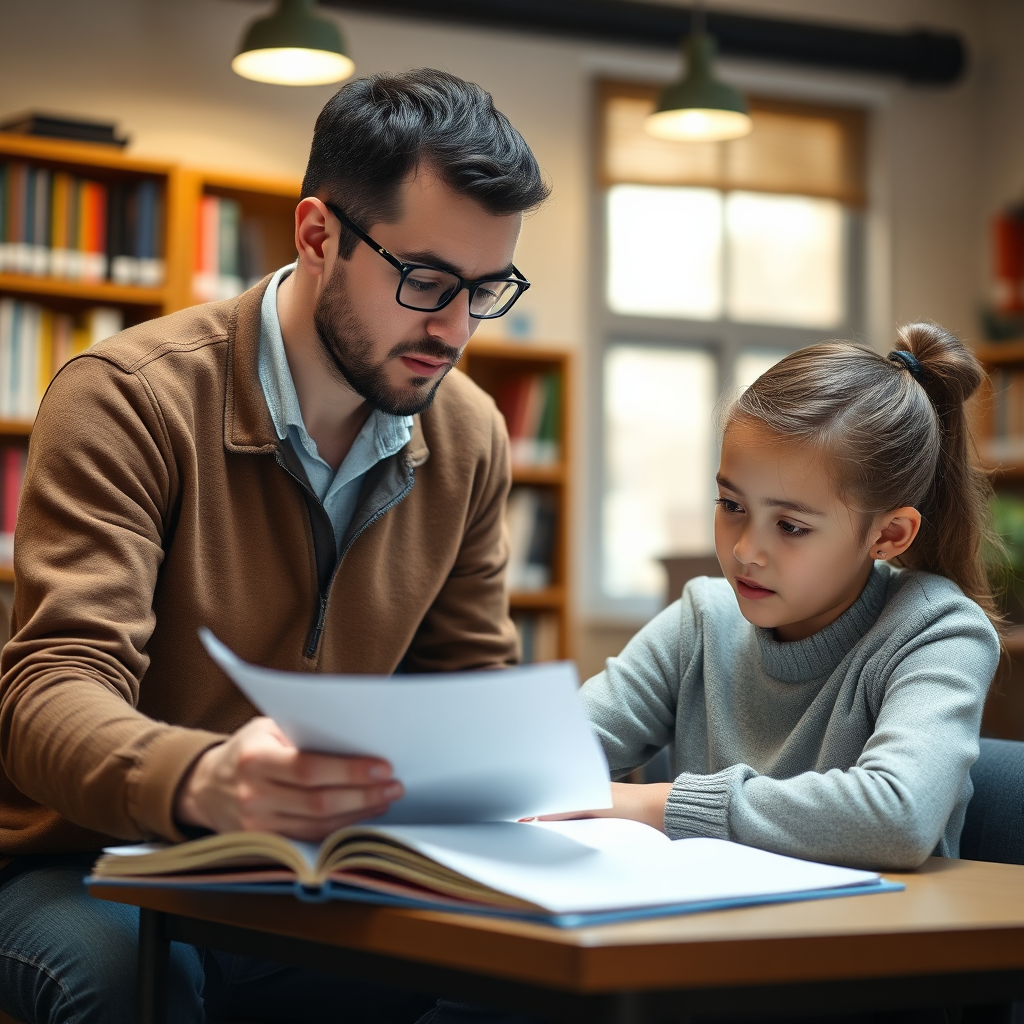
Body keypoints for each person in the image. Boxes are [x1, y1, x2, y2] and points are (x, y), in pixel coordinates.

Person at [0, 69, 548, 1023]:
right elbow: (52, 689)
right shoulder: (127, 398)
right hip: (80, 861)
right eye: (424, 280)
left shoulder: (468, 436)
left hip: (305, 874)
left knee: (520, 977)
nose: (456, 328)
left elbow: (468, 695)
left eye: (486, 288)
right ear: (318, 235)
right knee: (132, 982)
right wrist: (207, 780)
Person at [570, 322, 1002, 871]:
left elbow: (899, 815)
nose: (747, 550)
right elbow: (555, 756)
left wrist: (657, 803)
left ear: (887, 535)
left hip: (867, 944)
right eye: (731, 505)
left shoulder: (940, 632)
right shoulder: (702, 620)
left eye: (792, 526)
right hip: (713, 933)